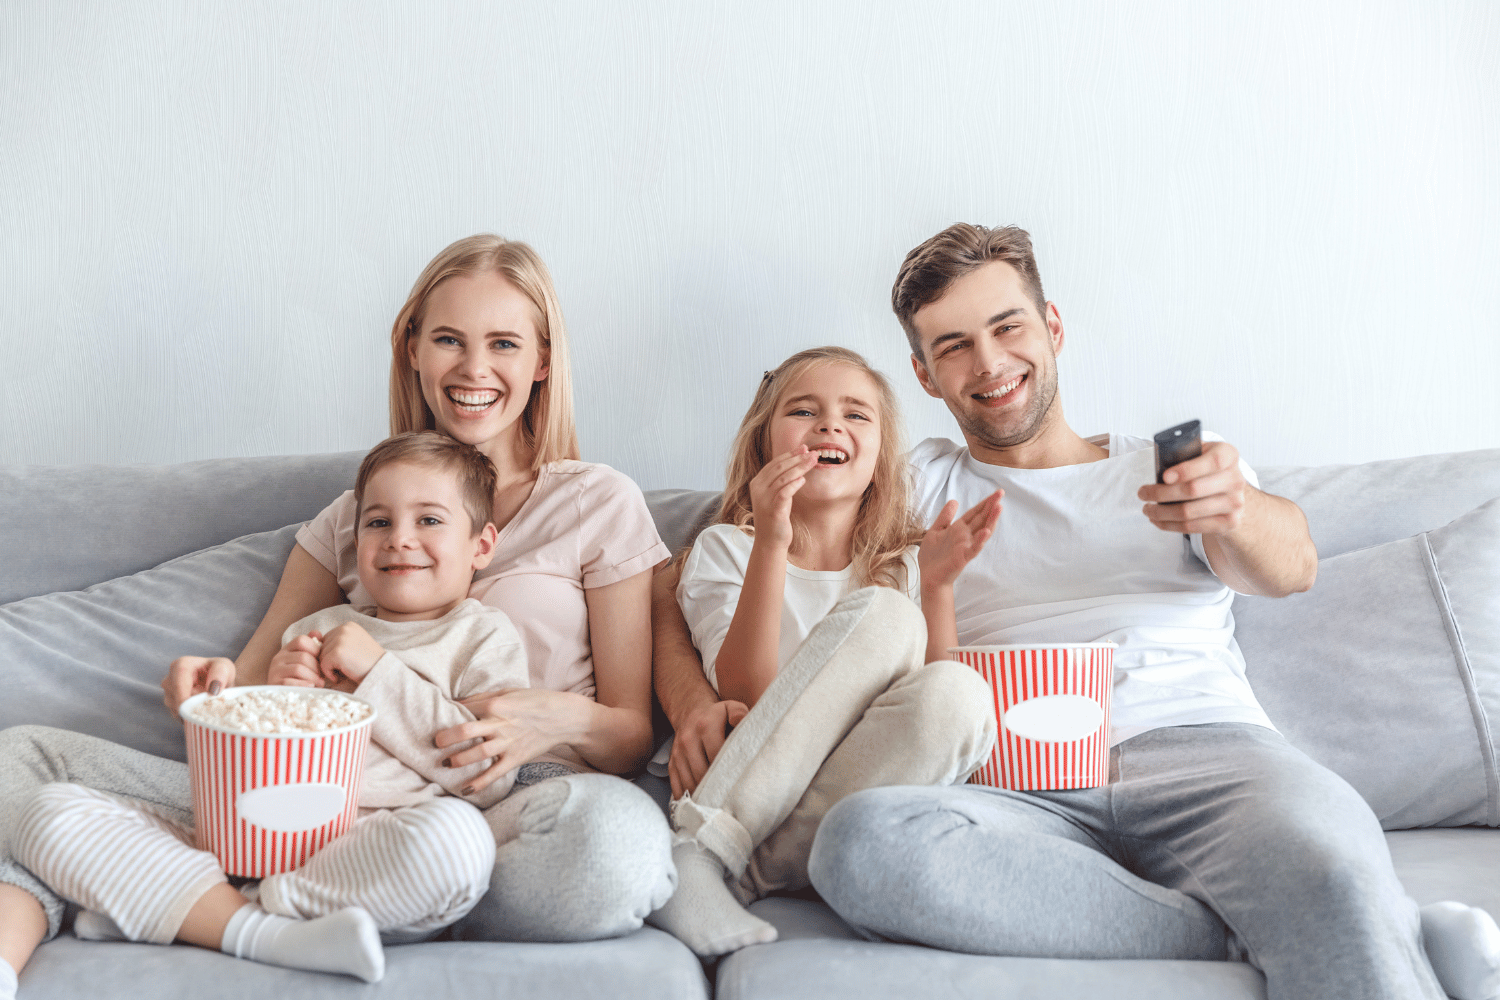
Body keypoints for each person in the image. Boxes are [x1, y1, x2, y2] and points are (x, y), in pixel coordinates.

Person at [654, 224, 1500, 1000]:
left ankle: (1346, 927)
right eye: (953, 346)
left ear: (1051, 327)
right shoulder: (909, 483)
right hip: (1010, 786)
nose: (988, 362)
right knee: (862, 845)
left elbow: (1295, 566)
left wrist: (1235, 505)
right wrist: (694, 702)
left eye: (1007, 327)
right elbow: (678, 569)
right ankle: (1245, 931)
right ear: (923, 374)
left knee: (1333, 871)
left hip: (1205, 757)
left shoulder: (1161, 470)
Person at [0, 236, 674, 996]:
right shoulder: (355, 514)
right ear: (412, 349)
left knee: (614, 852)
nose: (473, 369)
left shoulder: (595, 500)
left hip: (500, 802)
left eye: (504, 344)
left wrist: (548, 720)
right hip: (320, 789)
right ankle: (265, 909)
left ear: (542, 361)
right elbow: (253, 690)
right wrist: (209, 694)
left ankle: (187, 893)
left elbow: (630, 733)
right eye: (447, 339)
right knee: (20, 762)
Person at [13, 432, 530, 982]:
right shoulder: (319, 628)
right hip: (244, 823)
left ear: (482, 545)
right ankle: (236, 920)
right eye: (378, 522)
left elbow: (488, 776)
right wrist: (268, 695)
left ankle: (200, 904)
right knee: (45, 808)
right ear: (355, 543)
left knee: (457, 844)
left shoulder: (483, 636)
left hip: (366, 847)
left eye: (429, 520)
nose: (399, 539)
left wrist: (378, 672)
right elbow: (252, 752)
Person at [645, 346, 997, 957]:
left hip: (841, 793)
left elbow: (936, 725)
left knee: (964, 693)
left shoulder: (904, 566)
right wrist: (772, 541)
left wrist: (936, 588)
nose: (830, 425)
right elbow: (746, 696)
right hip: (745, 776)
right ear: (763, 445)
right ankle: (701, 844)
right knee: (887, 618)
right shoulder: (727, 549)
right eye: (804, 411)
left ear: (881, 459)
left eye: (856, 415)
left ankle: (743, 872)